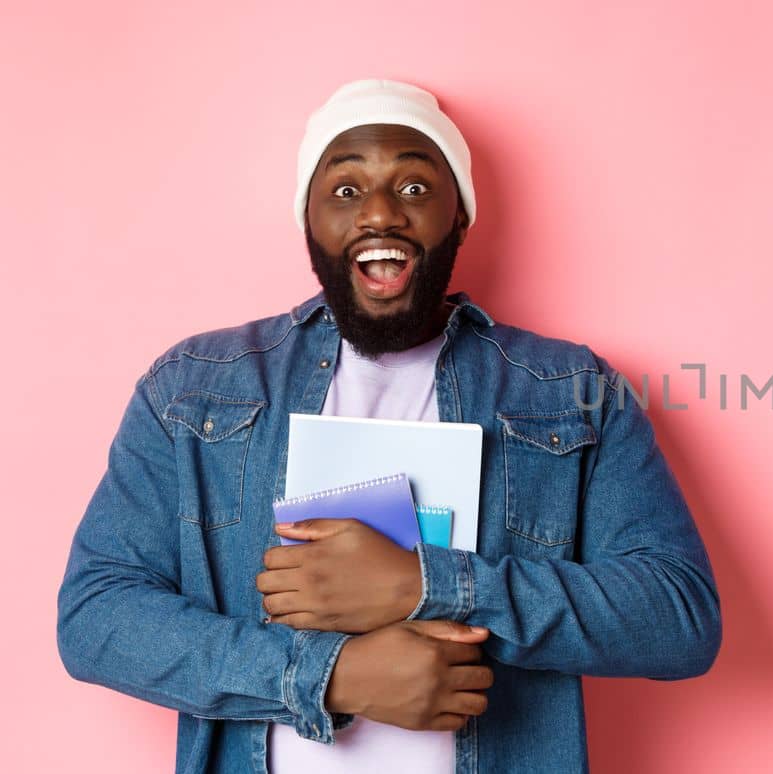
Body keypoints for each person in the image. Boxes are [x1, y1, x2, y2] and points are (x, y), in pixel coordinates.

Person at [56, 78, 722, 774]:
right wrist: (330, 676)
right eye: (345, 191)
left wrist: (426, 584)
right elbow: (97, 618)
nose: (380, 213)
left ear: (459, 216)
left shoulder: (572, 390)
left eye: (413, 188)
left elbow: (679, 618)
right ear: (308, 220)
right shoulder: (194, 388)